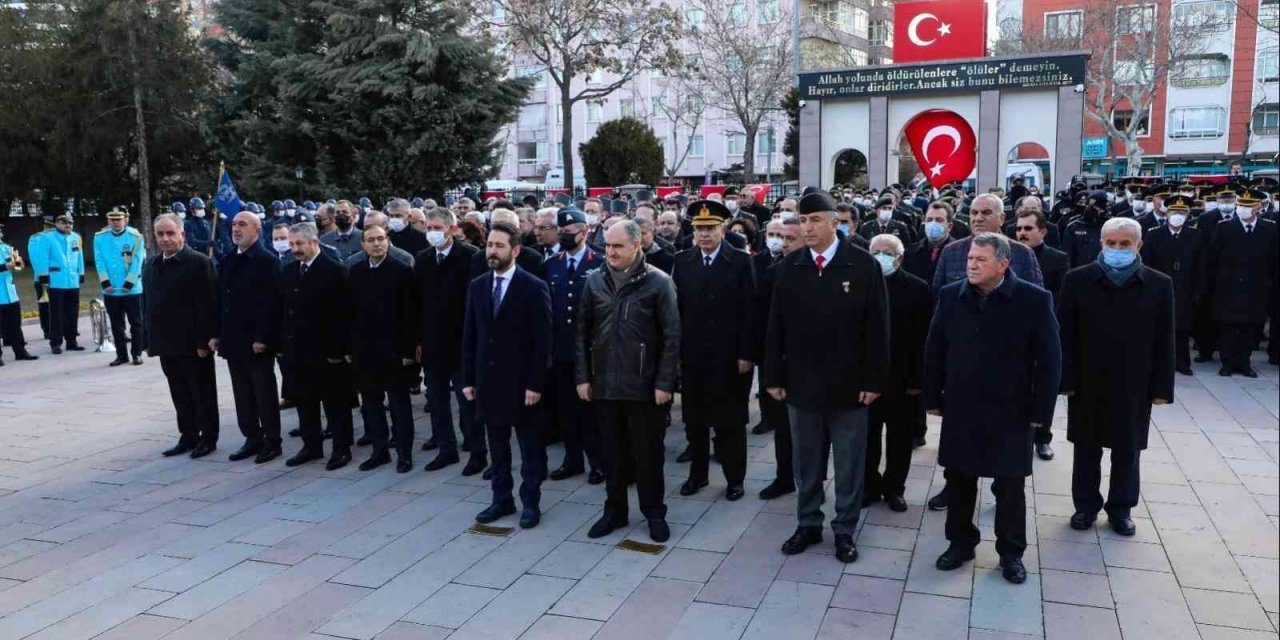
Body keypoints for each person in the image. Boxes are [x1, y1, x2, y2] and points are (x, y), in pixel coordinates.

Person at [924, 232, 1061, 584]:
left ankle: (1011, 553)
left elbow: (1049, 361)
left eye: (980, 260)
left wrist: (1040, 414)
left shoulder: (1033, 300)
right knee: (958, 479)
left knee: (1011, 486)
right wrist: (933, 398)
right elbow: (935, 348)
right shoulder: (951, 296)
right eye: (970, 258)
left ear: (1003, 264)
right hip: (962, 404)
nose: (971, 264)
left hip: (1012, 409)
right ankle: (960, 543)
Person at [764, 192, 890, 565]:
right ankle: (808, 523)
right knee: (806, 461)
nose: (808, 227)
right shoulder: (790, 268)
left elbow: (879, 329)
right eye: (803, 221)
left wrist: (874, 380)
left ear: (835, 222)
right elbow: (775, 328)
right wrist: (772, 375)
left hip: (850, 386)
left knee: (849, 463)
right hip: (801, 385)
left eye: (816, 220)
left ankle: (845, 529)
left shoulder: (862, 266)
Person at [1058, 218, 1174, 538]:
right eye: (1111, 243)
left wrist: (1162, 388)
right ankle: (1085, 505)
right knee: (1086, 447)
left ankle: (1121, 509)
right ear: (1101, 244)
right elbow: (1064, 335)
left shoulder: (1158, 284)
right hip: (1087, 380)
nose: (1118, 249)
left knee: (1128, 448)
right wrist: (1065, 380)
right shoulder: (1077, 280)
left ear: (1139, 245)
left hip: (1134, 381)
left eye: (1125, 244)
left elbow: (1166, 339)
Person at [577, 220, 680, 544]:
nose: (610, 252)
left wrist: (665, 383)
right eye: (607, 246)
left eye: (618, 246)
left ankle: (654, 513)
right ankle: (615, 511)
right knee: (612, 455)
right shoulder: (594, 282)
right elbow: (581, 333)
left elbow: (672, 337)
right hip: (605, 385)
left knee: (648, 455)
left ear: (636, 245)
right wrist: (583, 376)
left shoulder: (658, 283)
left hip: (644, 388)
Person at [462, 222, 553, 528]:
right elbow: (470, 336)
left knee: (529, 448)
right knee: (497, 447)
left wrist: (535, 383)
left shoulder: (533, 286)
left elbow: (543, 342)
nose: (492, 251)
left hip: (522, 385)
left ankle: (531, 502)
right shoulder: (478, 286)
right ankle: (501, 499)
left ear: (515, 250)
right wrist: (468, 380)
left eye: (499, 246)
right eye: (489, 245)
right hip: (489, 383)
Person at [671, 200, 757, 501]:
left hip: (729, 357)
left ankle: (735, 479)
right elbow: (677, 312)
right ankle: (698, 476)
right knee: (694, 422)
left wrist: (746, 354)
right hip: (694, 357)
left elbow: (750, 312)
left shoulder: (741, 261)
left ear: (721, 229)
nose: (704, 235)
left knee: (730, 422)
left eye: (710, 229)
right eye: (699, 229)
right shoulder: (683, 261)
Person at [414, 207, 485, 475]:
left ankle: (477, 451)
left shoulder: (470, 257)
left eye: (436, 228)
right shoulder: (422, 259)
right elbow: (417, 302)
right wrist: (418, 340)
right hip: (432, 343)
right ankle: (446, 449)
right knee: (437, 399)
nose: (431, 233)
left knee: (468, 401)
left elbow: (477, 303)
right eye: (428, 228)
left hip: (461, 342)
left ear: (452, 230)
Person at [280, 223, 355, 470]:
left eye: (300, 244)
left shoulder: (334, 271)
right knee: (304, 402)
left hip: (327, 353)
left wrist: (338, 351)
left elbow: (344, 314)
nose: (295, 249)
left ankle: (341, 450)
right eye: (291, 244)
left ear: (314, 243)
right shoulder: (289, 271)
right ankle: (311, 446)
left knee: (335, 405)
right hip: (298, 351)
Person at [144, 214, 220, 458]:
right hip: (167, 342)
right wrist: (150, 340)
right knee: (179, 391)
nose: (165, 239)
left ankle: (208, 438)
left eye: (170, 233)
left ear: (182, 235)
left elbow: (208, 305)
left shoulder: (199, 263)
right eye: (160, 234)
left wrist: (203, 342)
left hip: (193, 343)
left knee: (201, 392)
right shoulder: (152, 265)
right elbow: (148, 305)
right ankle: (187, 435)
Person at [212, 212, 284, 465]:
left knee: (263, 393)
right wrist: (216, 334)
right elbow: (221, 300)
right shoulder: (230, 259)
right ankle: (252, 437)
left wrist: (263, 337)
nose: (236, 229)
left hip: (256, 341)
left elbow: (272, 304)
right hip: (233, 338)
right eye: (233, 225)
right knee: (242, 393)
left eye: (242, 224)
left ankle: (272, 441)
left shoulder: (267, 261)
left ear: (257, 230)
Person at [864, 234, 929, 512]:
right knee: (867, 438)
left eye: (886, 252)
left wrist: (918, 380)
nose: (880, 256)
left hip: (903, 379)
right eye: (875, 251)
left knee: (900, 440)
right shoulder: (860, 284)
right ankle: (868, 486)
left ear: (899, 258)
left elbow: (923, 338)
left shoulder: (918, 288)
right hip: (866, 379)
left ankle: (895, 489)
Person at [349, 224, 419, 472]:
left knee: (399, 406)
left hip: (395, 352)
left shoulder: (401, 271)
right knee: (371, 404)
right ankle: (380, 451)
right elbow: (350, 314)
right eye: (371, 240)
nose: (376, 244)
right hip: (366, 352)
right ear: (363, 244)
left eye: (381, 239)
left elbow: (411, 315)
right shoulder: (355, 272)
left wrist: (409, 353)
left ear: (388, 241)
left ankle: (404, 454)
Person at [546, 208, 606, 484]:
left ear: (584, 232)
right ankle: (572, 460)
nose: (564, 236)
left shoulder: (600, 262)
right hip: (560, 350)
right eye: (561, 233)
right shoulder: (552, 264)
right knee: (566, 410)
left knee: (590, 411)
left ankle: (598, 462)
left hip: (590, 351)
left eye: (569, 232)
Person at [1199, 188, 1278, 377]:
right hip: (1228, 286)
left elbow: (1274, 259)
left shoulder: (1269, 228)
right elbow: (1213, 258)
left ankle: (1244, 362)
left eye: (1249, 206)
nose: (1244, 209)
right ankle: (1227, 363)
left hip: (1256, 286)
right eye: (1241, 205)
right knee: (1228, 327)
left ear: (1258, 207)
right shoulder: (1224, 227)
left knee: (1250, 327)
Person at [756, 218, 801, 499]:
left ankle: (813, 483)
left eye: (790, 239)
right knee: (782, 428)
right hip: (779, 364)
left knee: (813, 433)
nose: (783, 244)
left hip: (811, 366)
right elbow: (762, 323)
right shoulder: (772, 273)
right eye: (780, 238)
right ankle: (784, 477)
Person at [1141, 195, 1202, 375]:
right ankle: (1159, 364)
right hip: (1160, 288)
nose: (1178, 215)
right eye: (1174, 211)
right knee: (1159, 327)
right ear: (1167, 213)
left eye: (1182, 212)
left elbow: (1202, 265)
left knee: (1182, 328)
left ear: (1188, 214)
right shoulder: (1154, 234)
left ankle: (1183, 363)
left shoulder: (1196, 235)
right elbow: (1146, 263)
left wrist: (1199, 290)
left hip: (1185, 288)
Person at [93, 209, 147, 366]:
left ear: (125, 220)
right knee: (116, 324)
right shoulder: (99, 238)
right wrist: (105, 282)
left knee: (136, 322)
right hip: (111, 289)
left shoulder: (136, 237)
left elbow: (137, 261)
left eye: (119, 219)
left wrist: (129, 282)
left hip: (132, 288)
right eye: (112, 220)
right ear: (108, 221)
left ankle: (137, 353)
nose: (116, 222)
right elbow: (99, 260)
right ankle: (121, 355)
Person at [38, 214, 85, 353]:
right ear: (57, 223)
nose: (68, 225)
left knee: (72, 312)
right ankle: (56, 343)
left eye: (70, 223)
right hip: (56, 279)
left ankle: (71, 341)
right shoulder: (47, 238)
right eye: (64, 223)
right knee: (57, 313)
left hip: (72, 280)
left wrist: (81, 274)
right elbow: (42, 258)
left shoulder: (76, 237)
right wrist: (43, 277)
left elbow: (79, 256)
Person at [0, 228, 38, 365]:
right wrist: (5, 266)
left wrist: (19, 264)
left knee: (15, 325)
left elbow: (16, 266)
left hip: (10, 293)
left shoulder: (6, 248)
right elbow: (5, 266)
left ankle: (20, 351)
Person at [1016, 208, 1069, 301]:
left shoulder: (1058, 259)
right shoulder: (1008, 257)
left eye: (1028, 228)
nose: (1022, 232)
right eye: (1019, 229)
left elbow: (1061, 296)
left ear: (1043, 232)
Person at [1061, 191, 1110, 268]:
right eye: (1088, 206)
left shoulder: (1110, 226)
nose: (1090, 209)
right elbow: (1067, 255)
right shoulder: (1074, 226)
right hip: (1080, 272)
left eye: (1096, 208)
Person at [26, 216, 54, 340]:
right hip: (42, 278)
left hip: (60, 278)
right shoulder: (36, 238)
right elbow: (35, 259)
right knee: (45, 305)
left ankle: (60, 328)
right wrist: (43, 277)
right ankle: (47, 330)